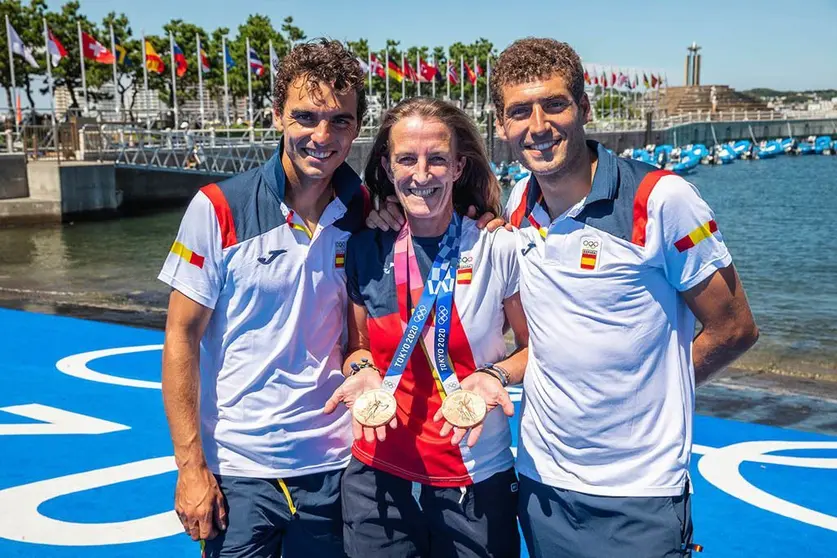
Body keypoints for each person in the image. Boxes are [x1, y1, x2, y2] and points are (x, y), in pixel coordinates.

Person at [492, 38, 759, 557]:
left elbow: (734, 329)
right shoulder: (519, 199)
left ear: (584, 108)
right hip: (542, 479)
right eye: (520, 111)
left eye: (555, 104)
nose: (538, 126)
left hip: (638, 490)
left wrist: (654, 391)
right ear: (502, 126)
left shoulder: (662, 199)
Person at [159, 39, 399, 558]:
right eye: (305, 117)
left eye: (339, 121)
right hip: (239, 470)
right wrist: (190, 466)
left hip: (337, 466)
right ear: (276, 116)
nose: (322, 136)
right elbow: (180, 336)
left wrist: (485, 218)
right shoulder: (217, 207)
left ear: (357, 127)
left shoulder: (365, 209)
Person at [324, 97, 529, 558]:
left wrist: (496, 375)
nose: (421, 174)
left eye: (436, 159)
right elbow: (357, 346)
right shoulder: (366, 247)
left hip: (474, 472)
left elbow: (533, 348)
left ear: (458, 166)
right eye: (406, 159)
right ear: (387, 165)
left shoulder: (496, 246)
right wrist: (361, 370)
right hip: (378, 471)